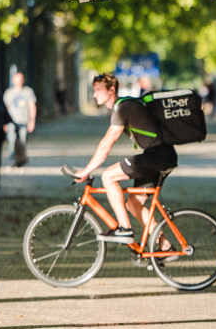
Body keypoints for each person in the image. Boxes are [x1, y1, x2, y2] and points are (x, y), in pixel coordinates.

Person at [72, 72, 177, 240]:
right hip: (161, 155)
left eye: (98, 90)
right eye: (94, 90)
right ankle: (165, 245)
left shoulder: (124, 108)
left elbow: (107, 144)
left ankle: (125, 229)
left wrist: (86, 170)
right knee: (133, 204)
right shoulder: (123, 107)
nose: (94, 94)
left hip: (158, 155)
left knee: (108, 176)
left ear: (111, 90)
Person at [3, 71, 37, 166]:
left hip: (24, 121)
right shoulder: (8, 93)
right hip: (11, 122)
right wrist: (4, 122)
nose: (18, 81)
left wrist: (32, 120)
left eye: (20, 79)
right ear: (13, 81)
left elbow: (31, 106)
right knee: (11, 141)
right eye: (16, 79)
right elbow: (5, 108)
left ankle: (20, 160)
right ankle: (12, 159)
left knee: (22, 141)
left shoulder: (28, 92)